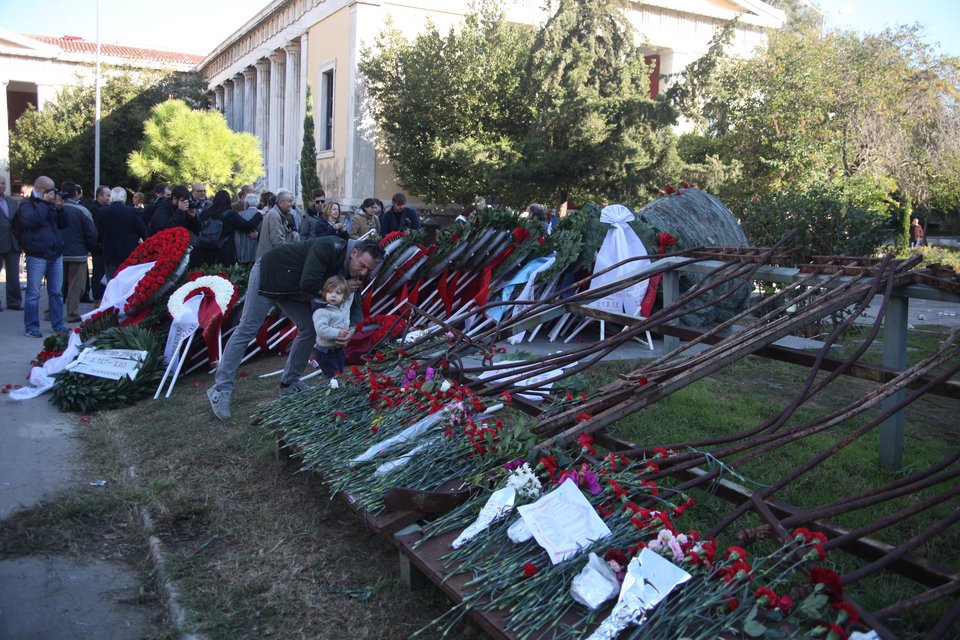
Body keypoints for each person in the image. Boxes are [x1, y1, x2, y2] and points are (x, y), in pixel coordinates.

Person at [207, 237, 386, 420]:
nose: (363, 272)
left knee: (310, 329)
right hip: (270, 274)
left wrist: (353, 328)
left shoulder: (356, 268)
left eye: (368, 270)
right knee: (248, 328)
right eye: (362, 266)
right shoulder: (327, 247)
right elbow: (309, 282)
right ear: (354, 252)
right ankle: (221, 389)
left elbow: (354, 302)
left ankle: (289, 384)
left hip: (292, 287)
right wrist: (343, 286)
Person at [19, 176, 68, 337]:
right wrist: (45, 204)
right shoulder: (27, 204)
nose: (53, 193)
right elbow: (32, 221)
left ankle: (58, 326)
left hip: (55, 254)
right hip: (37, 255)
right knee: (34, 293)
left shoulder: (51, 204)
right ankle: (31, 327)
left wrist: (60, 209)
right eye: (49, 190)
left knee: (56, 292)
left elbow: (63, 224)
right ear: (39, 189)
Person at [59, 182, 97, 322]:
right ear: (76, 193)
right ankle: (72, 313)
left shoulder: (55, 208)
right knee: (76, 286)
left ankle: (52, 312)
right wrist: (91, 248)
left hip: (57, 252)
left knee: (57, 285)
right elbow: (91, 233)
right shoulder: (82, 211)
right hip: (78, 253)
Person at [99, 187, 147, 281]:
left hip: (110, 252)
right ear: (124, 197)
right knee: (128, 281)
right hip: (129, 252)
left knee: (112, 281)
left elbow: (99, 234)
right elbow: (142, 231)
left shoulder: (102, 212)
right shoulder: (132, 211)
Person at [311, 275, 350, 378]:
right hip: (325, 352)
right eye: (330, 292)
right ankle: (334, 385)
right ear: (325, 293)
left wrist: (346, 332)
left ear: (344, 297)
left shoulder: (339, 309)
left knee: (339, 372)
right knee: (332, 376)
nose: (333, 296)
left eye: (338, 293)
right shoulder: (321, 311)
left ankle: (339, 384)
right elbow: (321, 330)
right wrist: (338, 333)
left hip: (338, 349)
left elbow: (345, 322)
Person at [255, 190, 300, 261]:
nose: (292, 204)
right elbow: (278, 242)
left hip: (270, 258)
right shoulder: (274, 215)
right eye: (289, 201)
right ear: (281, 203)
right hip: (270, 260)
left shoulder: (277, 214)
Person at [0, 175, 23, 311]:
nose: (1, 185)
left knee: (14, 275)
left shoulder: (13, 202)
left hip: (13, 243)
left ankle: (14, 302)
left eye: (3, 183)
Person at [234, 192, 263, 267]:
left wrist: (238, 255)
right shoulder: (263, 215)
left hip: (243, 253)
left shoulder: (240, 215)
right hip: (258, 253)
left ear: (247, 203)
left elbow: (237, 237)